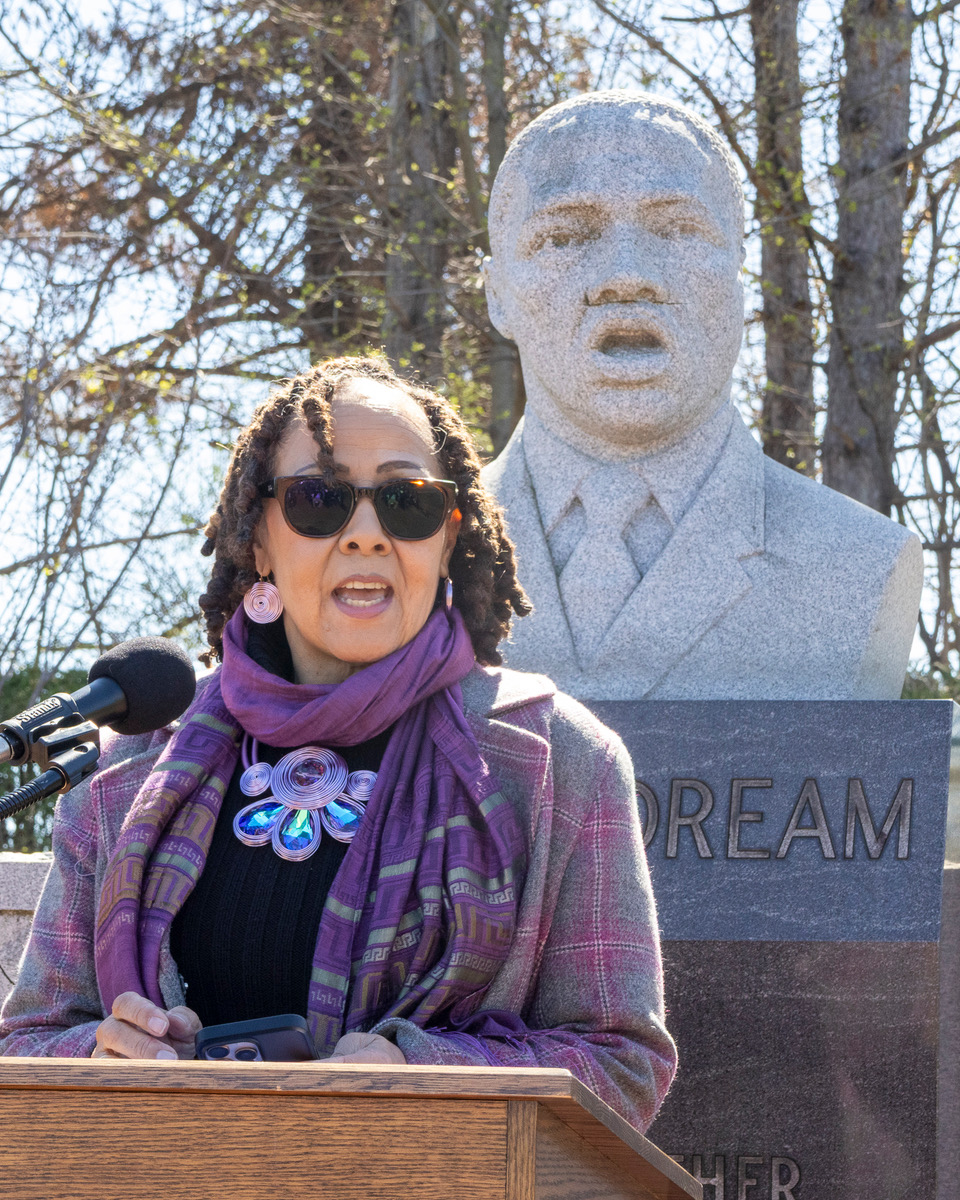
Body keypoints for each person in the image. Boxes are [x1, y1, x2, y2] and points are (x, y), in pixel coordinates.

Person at [0, 355, 676, 1133]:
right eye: (318, 499)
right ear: (259, 541)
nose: (365, 535)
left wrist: (419, 1073)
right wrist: (104, 1057)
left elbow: (621, 1065)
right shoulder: (131, 765)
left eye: (407, 502)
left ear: (449, 538)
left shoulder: (560, 763)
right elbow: (33, 1042)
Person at [481, 90, 922, 702]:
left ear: (740, 274)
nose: (626, 274)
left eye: (679, 229)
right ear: (496, 293)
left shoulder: (859, 563)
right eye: (564, 237)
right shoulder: (408, 555)